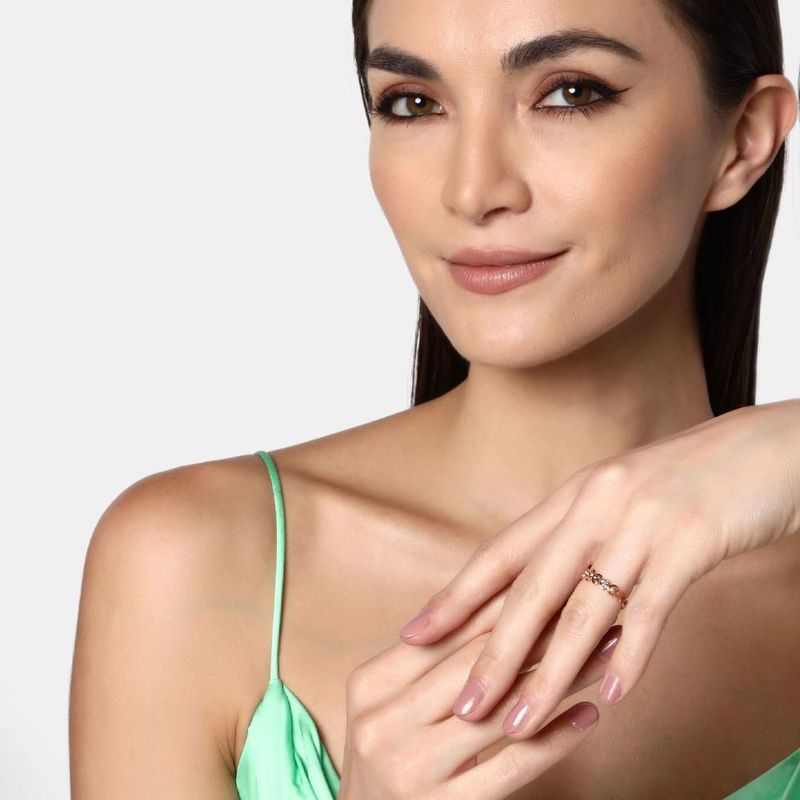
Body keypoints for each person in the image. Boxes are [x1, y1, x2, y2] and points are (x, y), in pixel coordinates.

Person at [69, 0, 800, 797]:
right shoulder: (191, 562)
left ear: (743, 139)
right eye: (414, 104)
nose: (472, 188)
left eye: (570, 93)